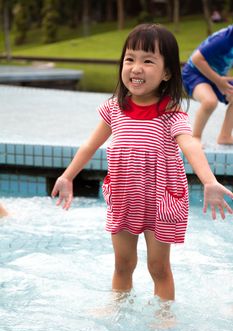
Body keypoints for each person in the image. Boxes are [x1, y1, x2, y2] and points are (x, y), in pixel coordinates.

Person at [52, 24, 233, 303]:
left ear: (167, 73)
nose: (136, 68)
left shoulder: (170, 112)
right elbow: (90, 146)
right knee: (123, 264)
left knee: (158, 267)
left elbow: (190, 144)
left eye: (148, 61)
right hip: (125, 197)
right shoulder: (114, 108)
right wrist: (67, 176)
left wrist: (209, 181)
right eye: (130, 59)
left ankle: (164, 314)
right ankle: (119, 307)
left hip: (161, 200)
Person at [182, 25, 233, 145]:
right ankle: (196, 138)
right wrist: (219, 81)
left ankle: (225, 136)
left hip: (215, 75)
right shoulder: (224, 39)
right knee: (210, 101)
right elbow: (196, 59)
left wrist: (222, 80)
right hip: (194, 73)